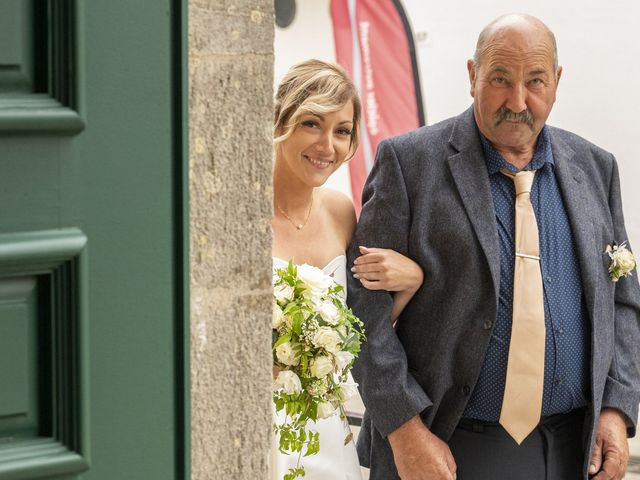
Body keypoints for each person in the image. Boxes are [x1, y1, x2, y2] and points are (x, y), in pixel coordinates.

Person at [348, 13, 640, 480]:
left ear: (557, 81)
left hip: (573, 449)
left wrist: (617, 408)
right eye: (500, 80)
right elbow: (361, 312)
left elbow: (623, 303)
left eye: (536, 81)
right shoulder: (409, 163)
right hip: (447, 446)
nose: (518, 101)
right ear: (472, 76)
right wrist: (404, 430)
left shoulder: (596, 168)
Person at [271, 59, 424, 480]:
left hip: (326, 432)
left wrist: (411, 282)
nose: (327, 146)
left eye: (341, 131)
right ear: (280, 120)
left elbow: (359, 333)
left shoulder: (341, 212)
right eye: (311, 124)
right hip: (256, 424)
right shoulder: (240, 215)